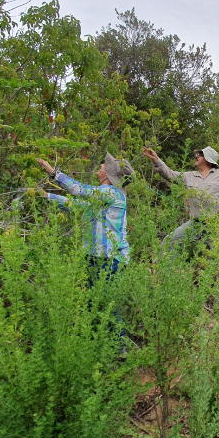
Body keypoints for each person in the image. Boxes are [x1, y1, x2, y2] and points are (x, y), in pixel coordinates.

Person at [37, 153, 134, 357]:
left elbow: (80, 191)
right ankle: (97, 346)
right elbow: (76, 204)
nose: (99, 168)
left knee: (107, 302)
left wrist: (53, 172)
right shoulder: (101, 196)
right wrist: (47, 196)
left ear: (108, 174)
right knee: (91, 301)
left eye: (102, 167)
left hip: (110, 259)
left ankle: (119, 349)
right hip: (95, 256)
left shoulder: (111, 193)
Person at [141, 145, 219, 252]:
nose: (196, 156)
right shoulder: (189, 176)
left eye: (200, 154)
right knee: (169, 242)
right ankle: (169, 264)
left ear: (208, 159)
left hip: (218, 224)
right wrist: (156, 160)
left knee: (217, 256)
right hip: (196, 224)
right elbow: (170, 175)